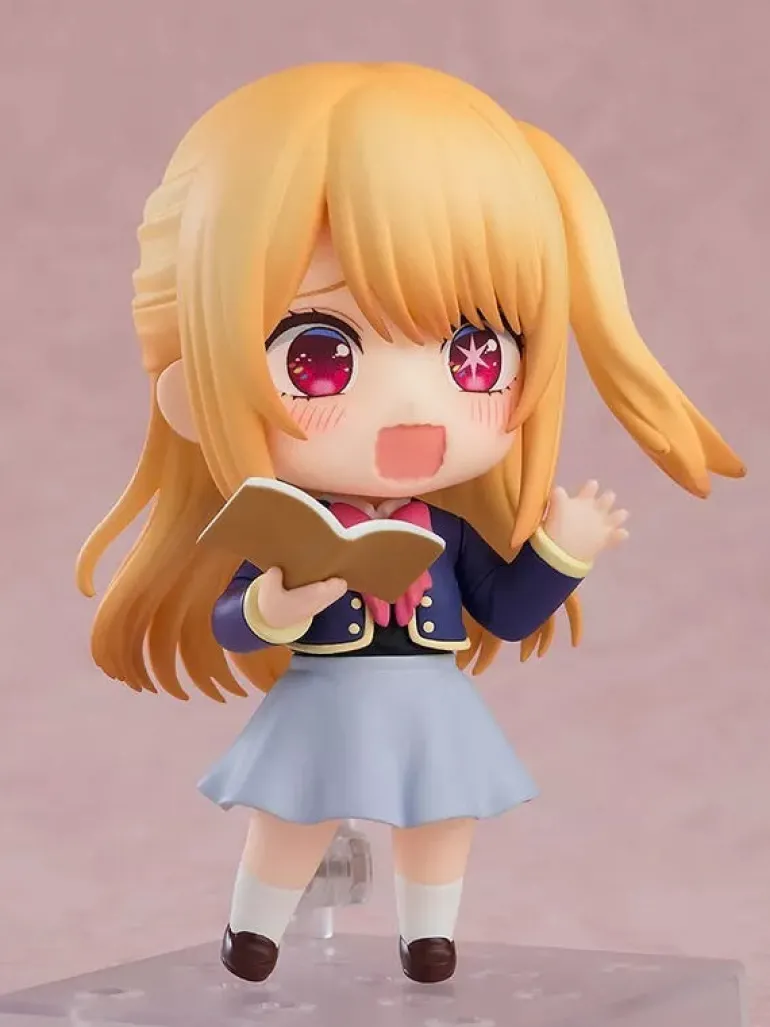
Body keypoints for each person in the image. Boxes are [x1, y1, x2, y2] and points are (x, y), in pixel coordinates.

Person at [77, 62, 745, 985]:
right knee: (294, 810)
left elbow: (504, 609)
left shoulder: (450, 530)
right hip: (323, 696)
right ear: (194, 389)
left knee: (441, 812)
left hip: (430, 699)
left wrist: (565, 550)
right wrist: (276, 603)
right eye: (320, 356)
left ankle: (428, 933)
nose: (413, 406)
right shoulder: (282, 524)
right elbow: (234, 618)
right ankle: (254, 927)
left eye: (475, 356)